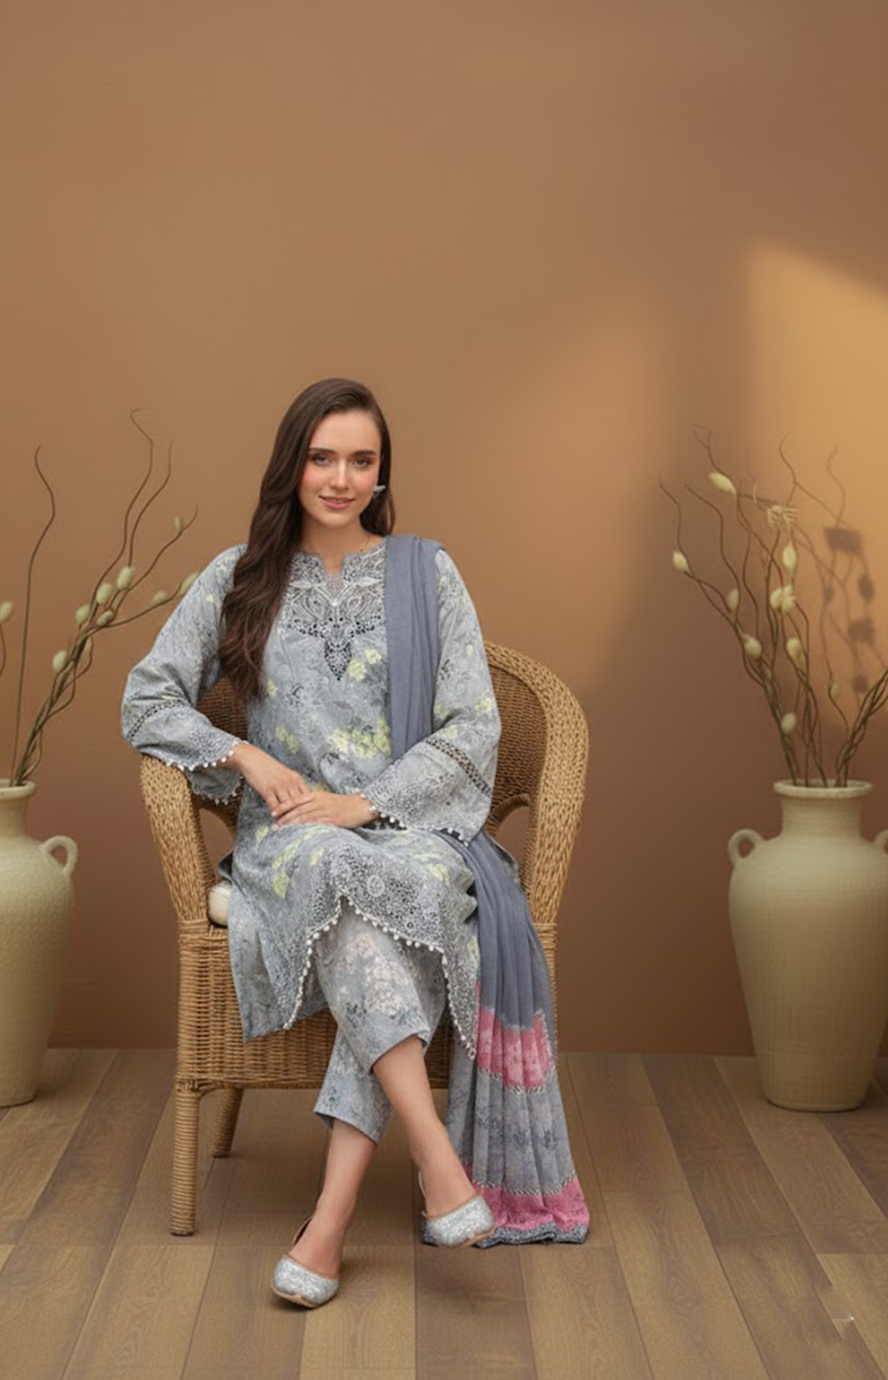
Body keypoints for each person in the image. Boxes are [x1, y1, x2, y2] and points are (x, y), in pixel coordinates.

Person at [120, 377, 588, 1308]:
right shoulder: (238, 576)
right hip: (292, 839)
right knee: (338, 871)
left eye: (361, 460)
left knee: (382, 920)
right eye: (322, 458)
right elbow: (146, 700)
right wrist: (247, 756)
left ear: (382, 473)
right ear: (292, 466)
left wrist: (366, 802)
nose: (341, 478)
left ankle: (327, 1226)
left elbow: (473, 728)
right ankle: (436, 1157)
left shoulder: (427, 574)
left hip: (407, 829)